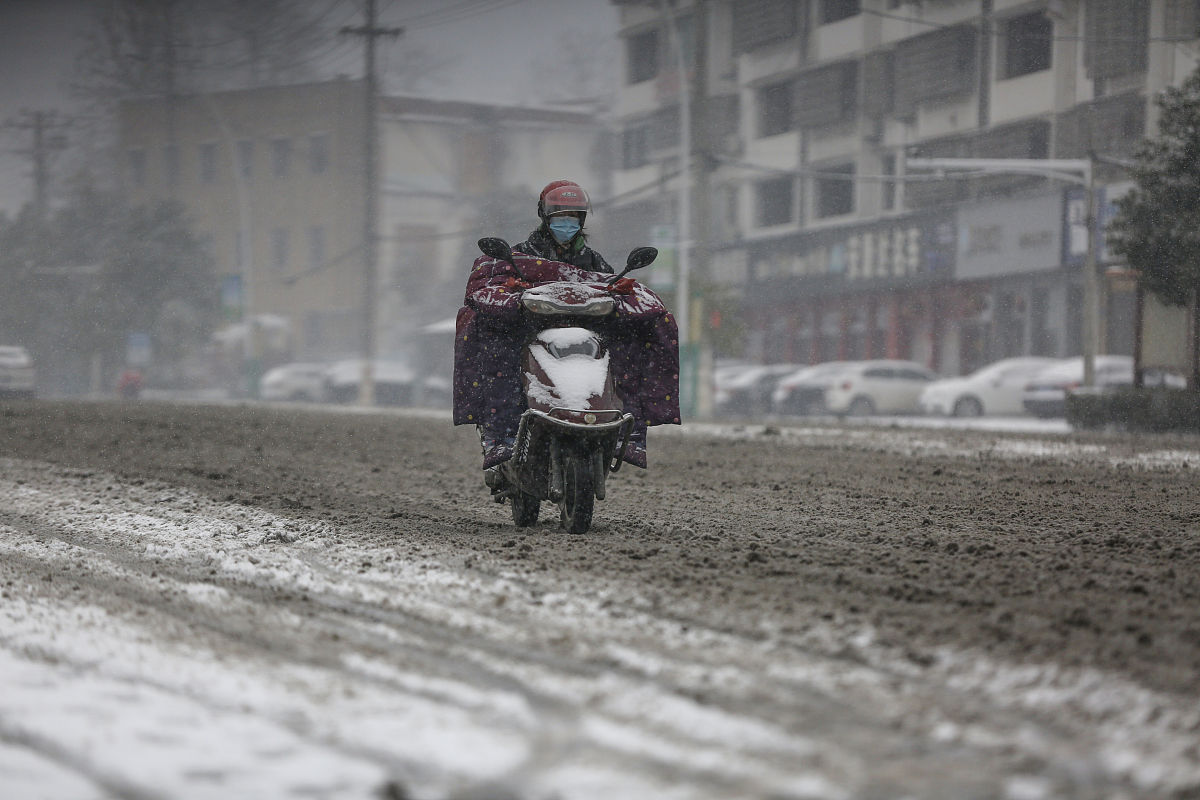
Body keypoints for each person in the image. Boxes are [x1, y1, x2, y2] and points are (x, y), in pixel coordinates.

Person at [453, 180, 678, 470]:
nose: (566, 224)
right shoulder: (519, 257)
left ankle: (629, 432)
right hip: (530, 330)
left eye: (573, 218)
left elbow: (610, 289)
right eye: (560, 217)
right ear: (545, 217)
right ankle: (500, 434)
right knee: (497, 349)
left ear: (581, 220)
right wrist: (515, 298)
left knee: (632, 344)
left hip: (590, 334)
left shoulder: (595, 263)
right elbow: (493, 285)